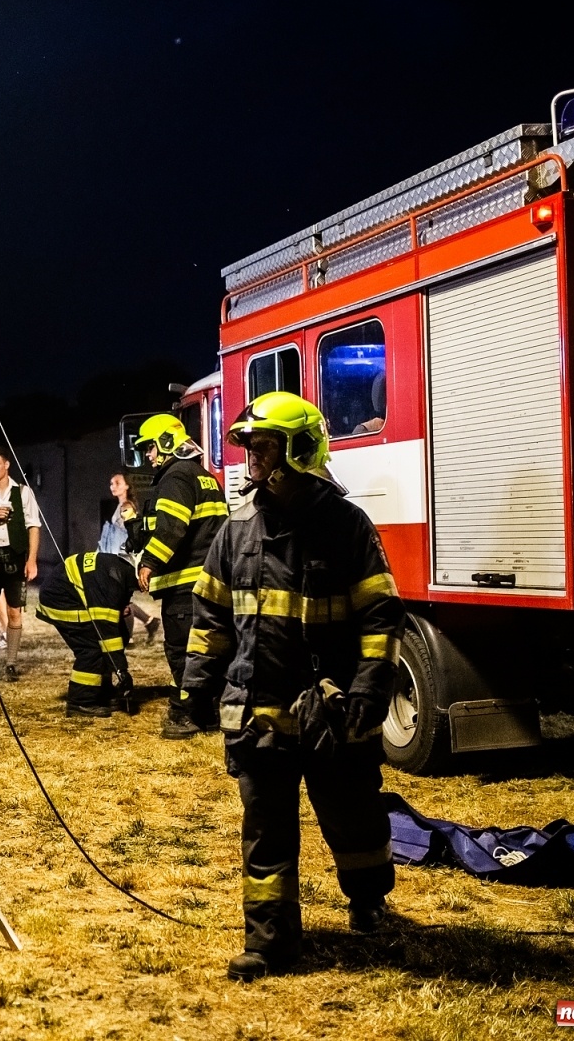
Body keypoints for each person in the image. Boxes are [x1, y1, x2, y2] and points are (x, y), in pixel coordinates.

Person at [182, 391, 404, 981]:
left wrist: (368, 691)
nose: (252, 458)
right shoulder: (238, 530)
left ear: (301, 450)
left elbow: (381, 617)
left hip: (331, 710)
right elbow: (211, 614)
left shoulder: (345, 526)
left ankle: (369, 902)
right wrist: (196, 690)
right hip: (257, 712)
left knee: (354, 815)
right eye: (249, 446)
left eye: (264, 446)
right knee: (265, 833)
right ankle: (271, 942)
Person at [129, 413, 228, 739]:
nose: (148, 455)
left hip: (185, 585)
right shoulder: (204, 477)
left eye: (150, 447)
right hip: (212, 582)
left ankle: (189, 716)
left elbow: (172, 527)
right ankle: (210, 713)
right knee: (209, 649)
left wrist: (150, 562)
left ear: (167, 442)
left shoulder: (175, 478)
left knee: (183, 650)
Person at [35, 550, 135, 716]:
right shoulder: (111, 582)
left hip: (67, 593)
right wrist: (121, 671)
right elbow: (107, 632)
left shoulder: (120, 569)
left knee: (114, 639)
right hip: (61, 600)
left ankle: (101, 693)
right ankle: (80, 702)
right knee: (92, 648)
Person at [0, 446, 41, 681]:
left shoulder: (22, 492)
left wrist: (32, 559)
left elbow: (33, 526)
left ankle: (11, 662)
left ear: (6, 465)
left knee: (15, 611)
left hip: (15, 556)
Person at [99, 471, 160, 646]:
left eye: (117, 483)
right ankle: (149, 622)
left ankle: (129, 638)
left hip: (123, 559)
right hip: (118, 558)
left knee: (121, 601)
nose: (113, 486)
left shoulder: (126, 507)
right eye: (111, 483)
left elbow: (129, 533)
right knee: (119, 600)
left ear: (127, 486)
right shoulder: (120, 506)